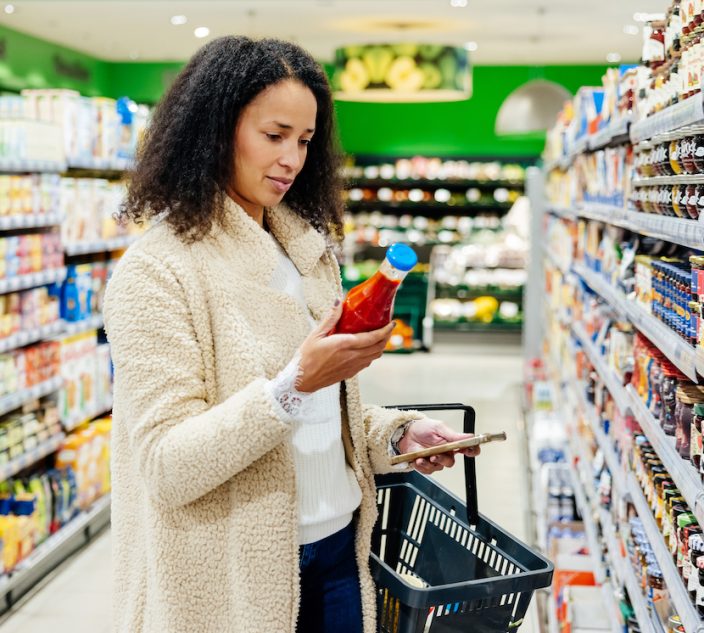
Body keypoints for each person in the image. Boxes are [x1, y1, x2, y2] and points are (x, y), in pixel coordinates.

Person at [103, 35, 479, 633]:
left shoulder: (304, 250)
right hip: (229, 578)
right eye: (274, 135)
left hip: (338, 553)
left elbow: (318, 412)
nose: (292, 159)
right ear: (214, 129)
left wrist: (395, 433)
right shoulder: (157, 271)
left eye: (305, 140)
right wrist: (296, 383)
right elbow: (165, 467)